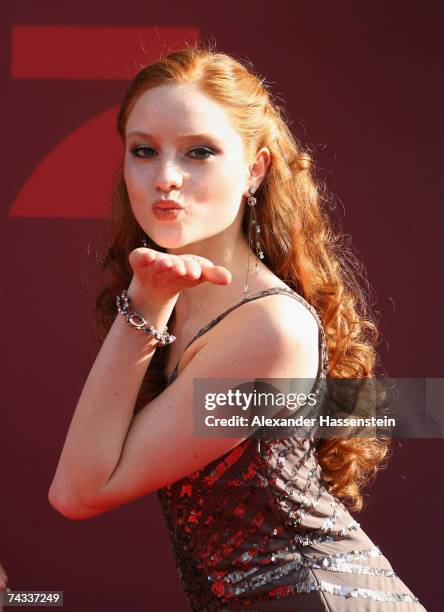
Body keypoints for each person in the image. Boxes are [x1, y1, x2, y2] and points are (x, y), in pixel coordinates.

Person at [48, 45, 426, 611]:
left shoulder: (267, 329)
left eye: (199, 152)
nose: (166, 178)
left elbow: (79, 491)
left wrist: (144, 307)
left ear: (256, 167)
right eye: (143, 151)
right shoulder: (188, 301)